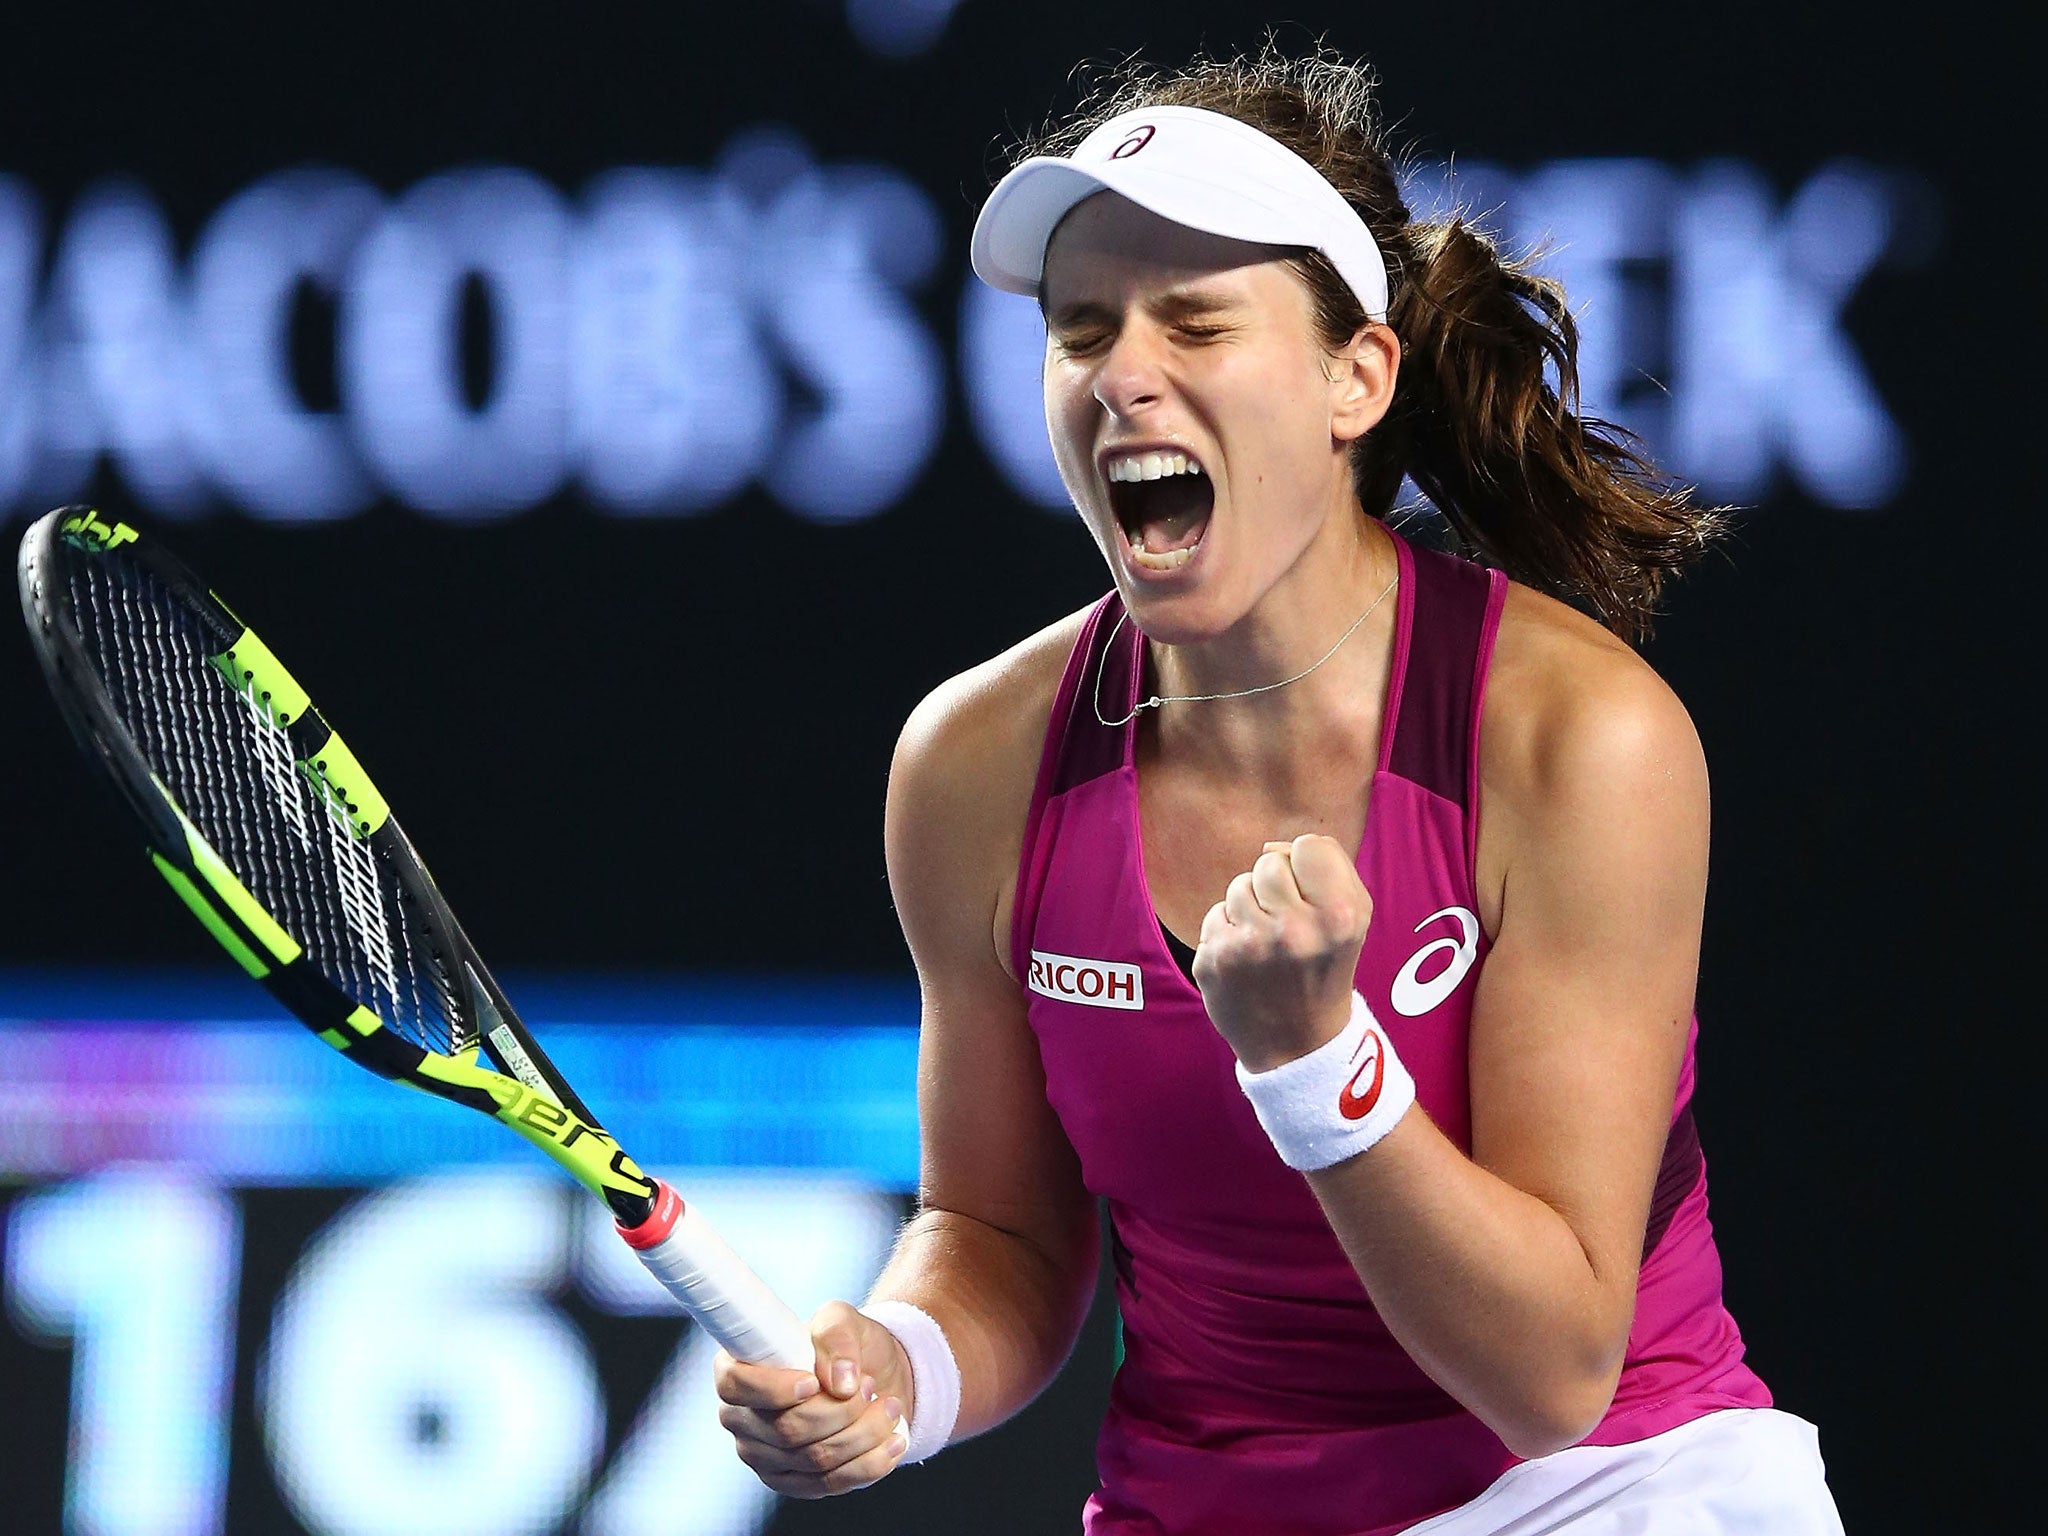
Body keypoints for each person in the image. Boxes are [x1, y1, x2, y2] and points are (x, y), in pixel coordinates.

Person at [713, 45, 1846, 1535]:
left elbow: (1556, 1369)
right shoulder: (975, 767)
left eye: (1192, 321)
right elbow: (996, 1231)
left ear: (1352, 378)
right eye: (1081, 331)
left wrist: (1318, 1062)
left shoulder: (1577, 739)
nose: (1122, 373)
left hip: (1604, 1491)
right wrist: (898, 1367)